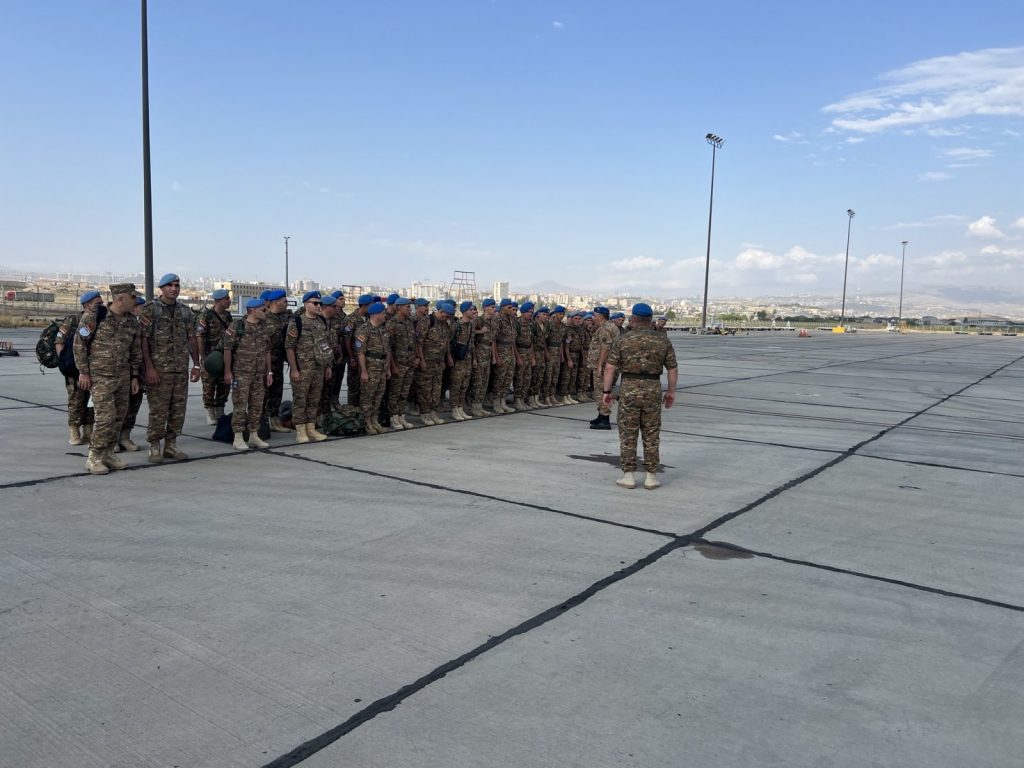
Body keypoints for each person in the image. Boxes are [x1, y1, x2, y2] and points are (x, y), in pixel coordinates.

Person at [601, 303, 678, 490]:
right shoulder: (662, 340)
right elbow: (673, 369)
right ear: (650, 319)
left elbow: (610, 367)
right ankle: (651, 477)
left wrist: (606, 391)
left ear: (633, 319)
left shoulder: (623, 339)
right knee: (651, 433)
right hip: (652, 390)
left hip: (629, 389)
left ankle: (628, 476)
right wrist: (671, 392)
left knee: (628, 433)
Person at [73, 283, 142, 475]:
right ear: (121, 299)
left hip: (123, 377)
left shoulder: (132, 322)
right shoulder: (95, 316)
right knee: (105, 418)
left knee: (119, 416)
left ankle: (108, 453)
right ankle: (94, 457)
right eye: (133, 297)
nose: (135, 301)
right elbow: (79, 345)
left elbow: (135, 351)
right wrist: (83, 372)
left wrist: (134, 376)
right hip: (100, 377)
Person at [140, 273, 199, 463]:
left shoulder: (185, 311)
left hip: (180, 369)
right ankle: (154, 445)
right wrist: (149, 367)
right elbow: (143, 340)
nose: (174, 289)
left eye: (177, 285)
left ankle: (171, 445)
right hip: (159, 370)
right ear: (162, 288)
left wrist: (196, 364)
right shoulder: (151, 310)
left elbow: (192, 338)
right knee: (158, 410)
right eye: (170, 285)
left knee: (178, 409)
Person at [223, 298, 272, 451]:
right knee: (240, 404)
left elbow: (267, 351)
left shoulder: (263, 327)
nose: (266, 312)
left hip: (259, 373)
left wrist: (269, 371)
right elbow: (227, 349)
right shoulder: (237, 326)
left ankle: (253, 435)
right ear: (253, 310)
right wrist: (228, 372)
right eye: (263, 310)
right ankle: (238, 437)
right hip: (241, 373)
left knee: (257, 405)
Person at [56, 290, 104, 445]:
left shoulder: (101, 319)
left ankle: (88, 430)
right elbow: (59, 341)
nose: (100, 305)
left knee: (91, 400)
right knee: (76, 400)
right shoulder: (73, 320)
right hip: (74, 369)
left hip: (94, 368)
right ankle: (74, 430)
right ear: (86, 304)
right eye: (97, 303)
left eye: (101, 303)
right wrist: (66, 363)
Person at [285, 291, 333, 443]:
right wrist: (294, 369)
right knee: (300, 399)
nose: (319, 306)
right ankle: (300, 430)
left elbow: (325, 345)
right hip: (302, 368)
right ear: (306, 304)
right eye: (315, 303)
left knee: (314, 399)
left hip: (319, 367)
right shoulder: (297, 322)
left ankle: (311, 428)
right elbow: (290, 347)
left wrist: (328, 365)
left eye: (320, 303)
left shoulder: (322, 322)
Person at [355, 301, 392, 434]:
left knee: (378, 396)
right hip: (370, 368)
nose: (385, 315)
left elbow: (387, 351)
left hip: (381, 368)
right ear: (376, 315)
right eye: (383, 313)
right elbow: (361, 352)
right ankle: (367, 422)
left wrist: (387, 369)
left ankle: (374, 420)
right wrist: (364, 371)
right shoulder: (363, 330)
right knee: (367, 397)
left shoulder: (383, 330)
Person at [197, 288, 233, 424]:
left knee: (224, 385)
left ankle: (220, 410)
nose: (229, 301)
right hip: (210, 357)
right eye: (226, 299)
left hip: (224, 357)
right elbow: (200, 337)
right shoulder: (205, 316)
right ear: (218, 301)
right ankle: (210, 411)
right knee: (209, 385)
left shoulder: (228, 316)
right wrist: (203, 358)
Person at [119, 295, 148, 452]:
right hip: (121, 373)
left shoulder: (140, 324)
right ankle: (113, 439)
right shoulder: (121, 324)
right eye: (141, 308)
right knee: (118, 408)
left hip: (138, 374)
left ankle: (125, 437)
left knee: (133, 407)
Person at [417, 301, 454, 425]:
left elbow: (445, 342)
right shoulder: (427, 321)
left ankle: (433, 412)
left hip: (439, 362)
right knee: (425, 389)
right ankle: (425, 414)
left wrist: (446, 358)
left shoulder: (444, 324)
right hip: (427, 361)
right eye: (446, 316)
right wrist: (422, 360)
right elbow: (419, 343)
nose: (447, 318)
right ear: (441, 312)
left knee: (437, 389)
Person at [262, 289, 292, 432]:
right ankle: (262, 422)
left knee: (277, 391)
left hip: (279, 361)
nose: (287, 304)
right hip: (264, 363)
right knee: (263, 393)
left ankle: (274, 420)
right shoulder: (264, 318)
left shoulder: (286, 317)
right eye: (284, 301)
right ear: (276, 302)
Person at [386, 297, 417, 429]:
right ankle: (393, 417)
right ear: (399, 308)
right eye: (407, 307)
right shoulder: (391, 323)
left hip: (409, 363)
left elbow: (414, 342)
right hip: (398, 363)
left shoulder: (409, 322)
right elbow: (388, 348)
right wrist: (393, 366)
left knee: (404, 392)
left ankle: (401, 416)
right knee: (395, 392)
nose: (410, 309)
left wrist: (416, 358)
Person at [588, 306, 619, 430]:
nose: (593, 318)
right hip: (609, 365)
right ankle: (601, 415)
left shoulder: (605, 328)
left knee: (602, 391)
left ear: (600, 317)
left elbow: (606, 347)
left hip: (605, 366)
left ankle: (605, 419)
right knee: (602, 391)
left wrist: (600, 364)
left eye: (594, 316)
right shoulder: (611, 326)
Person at [469, 298, 497, 416]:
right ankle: (474, 407)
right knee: (478, 381)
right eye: (492, 307)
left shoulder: (493, 323)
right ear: (485, 308)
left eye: (494, 307)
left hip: (488, 354)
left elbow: (492, 340)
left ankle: (479, 406)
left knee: (484, 381)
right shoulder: (478, 321)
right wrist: (480, 331)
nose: (494, 309)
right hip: (479, 352)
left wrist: (494, 356)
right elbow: (470, 332)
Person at [450, 301, 477, 420]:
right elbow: (450, 342)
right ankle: (454, 409)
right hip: (458, 360)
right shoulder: (457, 325)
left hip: (468, 359)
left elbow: (472, 343)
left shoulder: (471, 325)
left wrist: (474, 358)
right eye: (471, 310)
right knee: (456, 385)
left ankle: (460, 407)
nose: (473, 311)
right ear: (464, 311)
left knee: (464, 385)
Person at [490, 298, 517, 414]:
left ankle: (503, 401)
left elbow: (513, 339)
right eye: (509, 308)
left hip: (510, 352)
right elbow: (493, 339)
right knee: (499, 379)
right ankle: (496, 403)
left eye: (512, 307)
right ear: (502, 308)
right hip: (501, 352)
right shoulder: (498, 319)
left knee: (507, 379)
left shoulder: (511, 319)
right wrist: (496, 356)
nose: (511, 310)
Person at [512, 302, 535, 411]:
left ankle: (522, 399)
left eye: (532, 312)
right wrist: (517, 357)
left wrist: (532, 357)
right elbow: (513, 342)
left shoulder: (531, 325)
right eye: (529, 312)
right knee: (519, 378)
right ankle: (517, 400)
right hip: (520, 352)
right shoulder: (517, 324)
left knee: (527, 378)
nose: (531, 314)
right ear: (523, 312)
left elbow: (531, 342)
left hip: (528, 354)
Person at [528, 306, 549, 408]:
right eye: (544, 314)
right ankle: (531, 399)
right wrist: (532, 357)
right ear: (538, 315)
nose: (546, 316)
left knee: (540, 377)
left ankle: (536, 398)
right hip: (535, 353)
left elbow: (544, 341)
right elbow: (531, 343)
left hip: (541, 354)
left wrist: (545, 352)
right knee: (534, 377)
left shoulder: (544, 326)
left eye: (547, 315)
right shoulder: (533, 325)